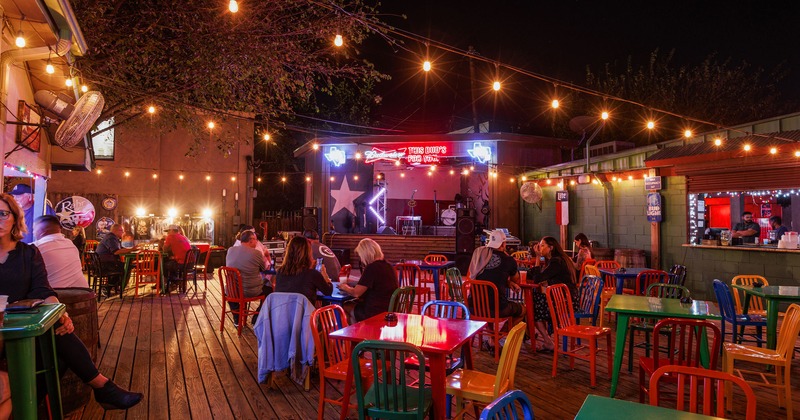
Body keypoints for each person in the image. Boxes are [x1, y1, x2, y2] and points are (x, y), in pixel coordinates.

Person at [0, 193, 142, 410]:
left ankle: (31, 406)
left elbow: (42, 288)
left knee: (60, 334)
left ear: (14, 217)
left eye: (3, 214)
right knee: (58, 349)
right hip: (4, 331)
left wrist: (60, 312)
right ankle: (101, 388)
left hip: (21, 327)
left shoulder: (29, 252)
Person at [528, 236, 579, 352]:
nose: (539, 248)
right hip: (567, 298)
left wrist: (537, 257)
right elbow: (536, 275)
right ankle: (546, 338)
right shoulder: (557, 260)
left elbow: (537, 279)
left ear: (550, 248)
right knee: (536, 301)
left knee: (532, 307)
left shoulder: (556, 261)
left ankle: (547, 341)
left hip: (566, 302)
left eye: (542, 245)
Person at [467, 229, 523, 319]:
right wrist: (509, 281)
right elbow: (515, 279)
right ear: (503, 244)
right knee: (523, 310)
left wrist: (507, 283)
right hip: (497, 309)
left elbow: (488, 276)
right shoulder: (509, 260)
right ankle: (506, 333)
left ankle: (493, 331)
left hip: (473, 307)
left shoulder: (480, 255)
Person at [338, 238, 397, 322]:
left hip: (374, 313)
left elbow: (356, 293)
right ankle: (359, 331)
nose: (361, 260)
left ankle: (354, 333)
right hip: (388, 310)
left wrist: (344, 287)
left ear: (365, 254)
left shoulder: (372, 268)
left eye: (360, 256)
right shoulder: (389, 266)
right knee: (355, 304)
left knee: (344, 306)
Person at [32, 216, 90, 289]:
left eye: (34, 229)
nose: (33, 232)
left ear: (41, 230)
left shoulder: (35, 248)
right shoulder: (70, 244)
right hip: (85, 295)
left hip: (57, 297)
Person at [225, 231, 268, 325]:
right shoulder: (256, 253)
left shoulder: (230, 250)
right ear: (251, 240)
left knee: (229, 289)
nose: (257, 242)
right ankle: (256, 318)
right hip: (249, 291)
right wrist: (267, 256)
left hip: (231, 290)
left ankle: (237, 317)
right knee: (269, 289)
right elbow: (264, 269)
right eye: (256, 239)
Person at [274, 236, 333, 305]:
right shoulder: (312, 274)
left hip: (283, 314)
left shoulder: (280, 272)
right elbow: (328, 291)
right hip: (306, 315)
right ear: (308, 253)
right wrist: (324, 274)